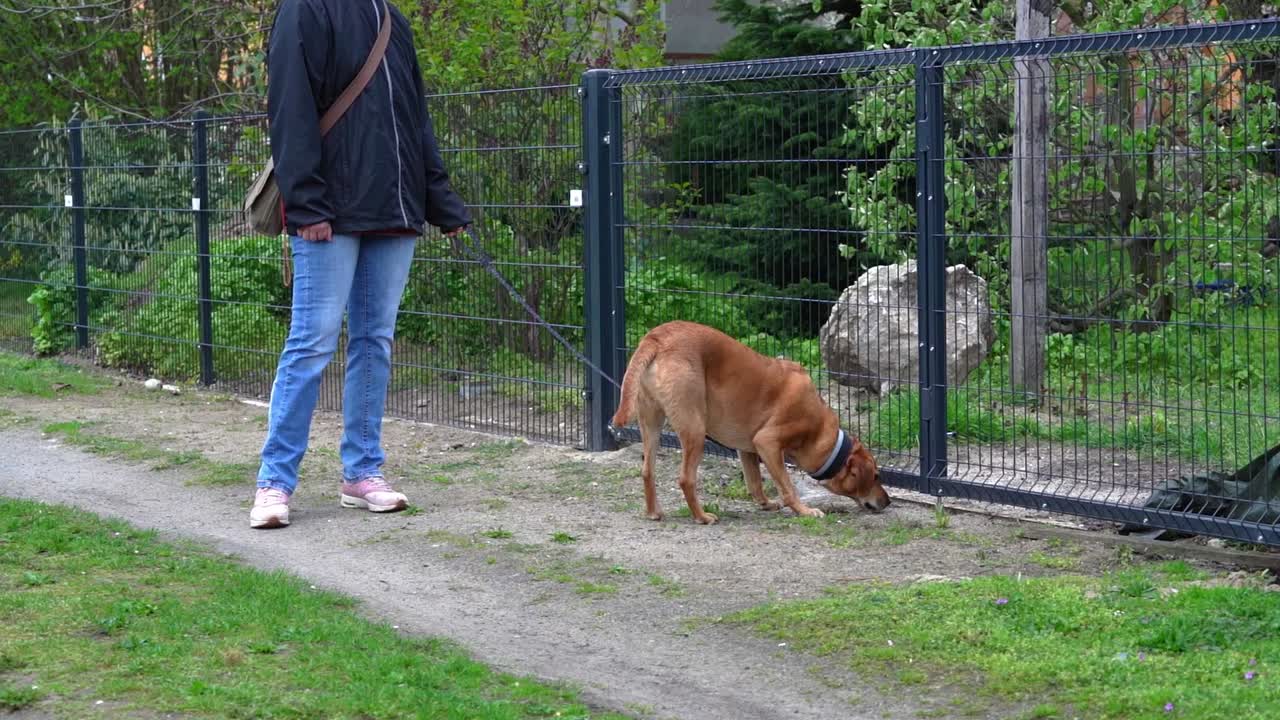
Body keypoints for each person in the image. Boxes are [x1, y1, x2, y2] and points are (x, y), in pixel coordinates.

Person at [251, 0, 471, 529]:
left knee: (375, 339)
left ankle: (363, 472)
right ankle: (274, 481)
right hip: (328, 211)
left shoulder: (393, 20)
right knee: (313, 340)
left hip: (396, 210)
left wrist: (443, 205)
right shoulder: (303, 10)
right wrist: (305, 203)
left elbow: (416, 122)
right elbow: (290, 108)